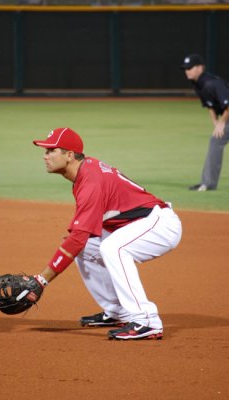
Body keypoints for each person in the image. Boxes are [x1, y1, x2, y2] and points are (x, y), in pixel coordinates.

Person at [32, 127, 182, 340]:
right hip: (136, 223)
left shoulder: (90, 181)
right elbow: (79, 239)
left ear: (69, 155)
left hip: (158, 224)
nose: (45, 156)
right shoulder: (85, 171)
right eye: (45, 151)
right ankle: (118, 311)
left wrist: (41, 280)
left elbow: (77, 237)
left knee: (112, 247)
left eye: (51, 150)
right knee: (84, 246)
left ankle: (146, 321)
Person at [181, 53, 229, 191]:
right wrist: (216, 123)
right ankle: (208, 182)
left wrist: (221, 124)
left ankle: (208, 183)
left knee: (216, 140)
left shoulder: (212, 83)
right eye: (185, 68)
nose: (187, 71)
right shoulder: (198, 84)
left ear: (200, 68)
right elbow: (210, 106)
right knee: (216, 138)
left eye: (190, 68)